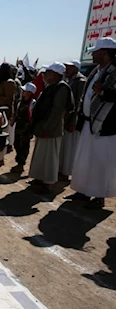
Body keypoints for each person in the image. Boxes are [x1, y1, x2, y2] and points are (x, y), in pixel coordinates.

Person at [69, 37, 116, 209]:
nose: (92, 55)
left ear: (104, 53)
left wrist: (104, 92)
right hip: (89, 124)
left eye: (95, 52)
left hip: (104, 126)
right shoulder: (97, 71)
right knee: (84, 160)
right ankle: (82, 191)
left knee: (101, 162)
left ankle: (99, 196)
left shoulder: (114, 72)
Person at [28, 62, 73, 194]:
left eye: (48, 72)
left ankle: (48, 183)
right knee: (41, 154)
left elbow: (57, 111)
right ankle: (40, 179)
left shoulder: (61, 88)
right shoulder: (51, 86)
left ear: (55, 74)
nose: (45, 74)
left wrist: (47, 128)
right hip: (43, 126)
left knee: (50, 157)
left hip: (51, 129)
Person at [58, 60, 87, 181]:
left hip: (72, 121)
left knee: (69, 148)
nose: (66, 70)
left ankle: (65, 172)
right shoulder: (69, 80)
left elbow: (78, 103)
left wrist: (73, 121)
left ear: (75, 68)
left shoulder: (80, 82)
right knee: (63, 147)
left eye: (68, 67)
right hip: (66, 118)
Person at [0, 63, 17, 167]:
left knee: (2, 137)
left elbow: (9, 100)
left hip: (4, 113)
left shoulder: (9, 83)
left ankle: (0, 159)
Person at [11, 82, 37, 174]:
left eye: (25, 91)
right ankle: (18, 162)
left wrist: (31, 130)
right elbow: (16, 113)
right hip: (19, 127)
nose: (23, 92)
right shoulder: (20, 102)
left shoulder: (32, 104)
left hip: (26, 129)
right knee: (17, 144)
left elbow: (34, 117)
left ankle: (21, 164)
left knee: (24, 146)